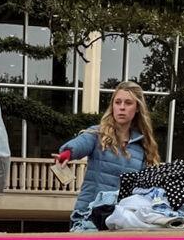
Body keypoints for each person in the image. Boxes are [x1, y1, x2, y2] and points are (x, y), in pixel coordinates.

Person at [55, 81, 161, 231]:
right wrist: (66, 154)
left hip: (120, 221)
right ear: (112, 106)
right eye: (117, 102)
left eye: (128, 103)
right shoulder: (98, 134)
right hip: (88, 216)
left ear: (137, 108)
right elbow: (81, 143)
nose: (122, 107)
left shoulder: (143, 146)